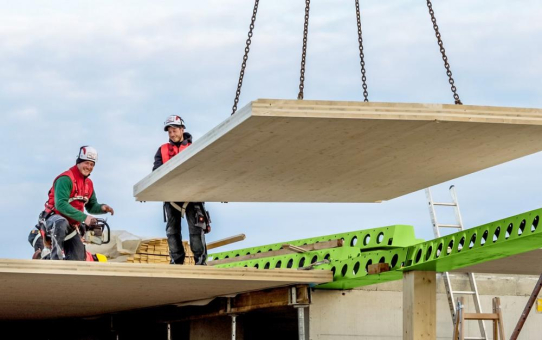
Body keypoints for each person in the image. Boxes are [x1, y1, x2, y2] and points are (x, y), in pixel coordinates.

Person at [28, 146, 114, 260]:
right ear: (78, 162)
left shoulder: (88, 184)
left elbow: (91, 206)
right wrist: (85, 218)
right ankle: (55, 260)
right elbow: (60, 204)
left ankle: (45, 258)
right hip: (53, 219)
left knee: (78, 259)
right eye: (86, 163)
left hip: (72, 225)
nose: (89, 167)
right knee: (61, 222)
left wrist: (102, 208)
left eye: (92, 164)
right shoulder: (65, 179)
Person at [153, 115, 211, 265]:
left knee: (196, 231)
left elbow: (203, 171)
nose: (172, 134)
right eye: (169, 132)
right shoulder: (163, 150)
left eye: (174, 130)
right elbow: (156, 172)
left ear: (182, 129)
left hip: (192, 196)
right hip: (172, 197)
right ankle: (177, 262)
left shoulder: (194, 148)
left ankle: (200, 263)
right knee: (172, 232)